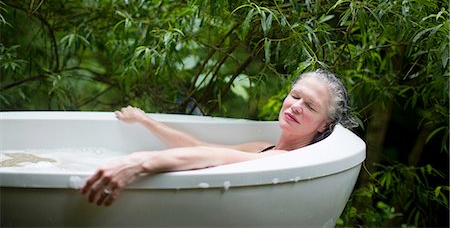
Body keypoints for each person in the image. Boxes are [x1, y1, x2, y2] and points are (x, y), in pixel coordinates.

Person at [81, 69, 357, 206]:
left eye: (310, 106)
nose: (296, 106)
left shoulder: (284, 159)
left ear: (324, 125)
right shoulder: (265, 148)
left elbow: (211, 157)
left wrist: (138, 163)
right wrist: (145, 121)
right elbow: (201, 147)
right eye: (295, 96)